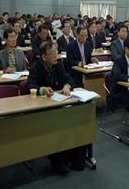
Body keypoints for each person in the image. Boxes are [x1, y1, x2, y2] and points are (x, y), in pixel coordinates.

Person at [26, 41, 85, 174]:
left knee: (78, 120)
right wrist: (42, 89)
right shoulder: (36, 68)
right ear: (43, 57)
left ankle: (73, 156)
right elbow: (29, 86)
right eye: (51, 54)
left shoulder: (58, 66)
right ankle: (56, 159)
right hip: (43, 109)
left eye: (56, 53)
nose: (55, 56)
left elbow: (69, 79)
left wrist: (67, 86)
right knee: (54, 126)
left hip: (59, 105)